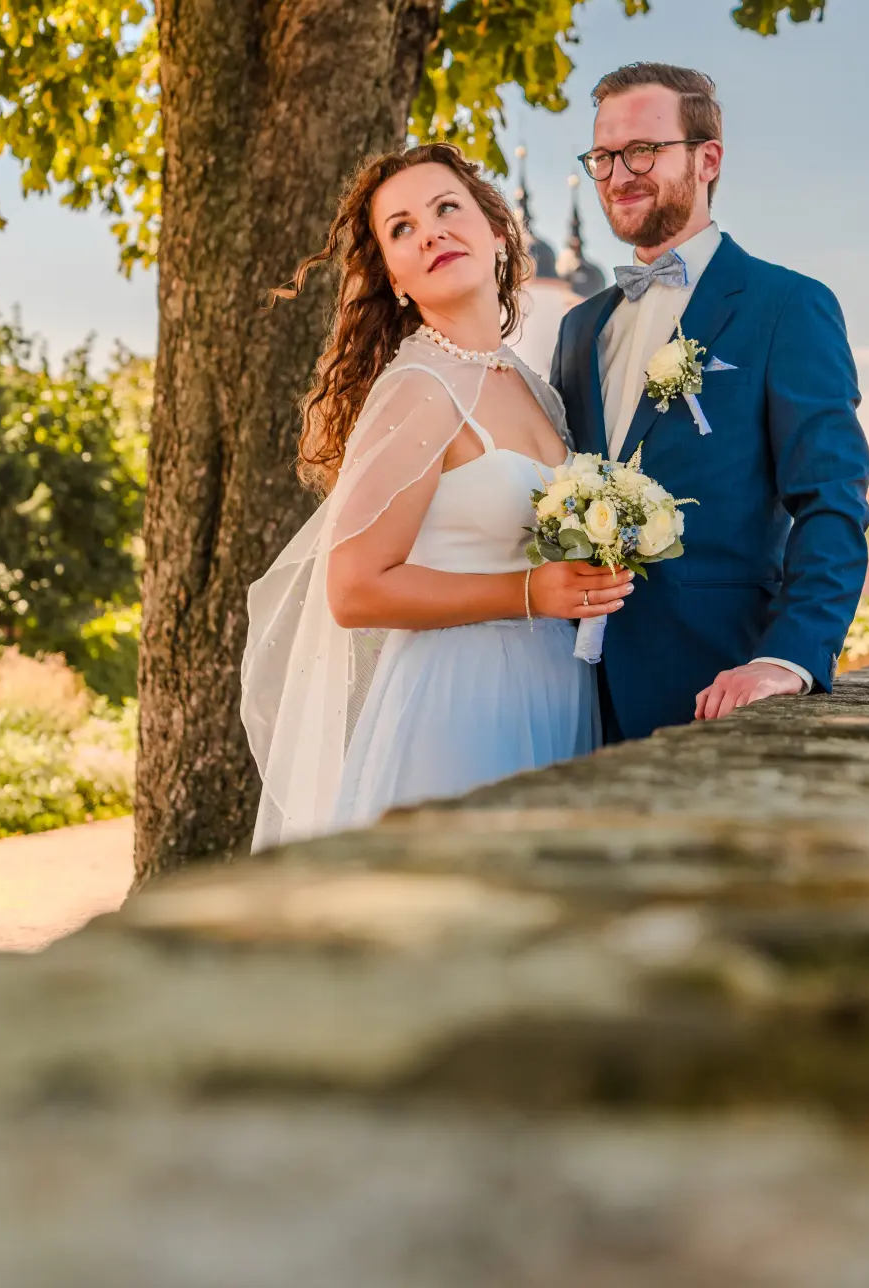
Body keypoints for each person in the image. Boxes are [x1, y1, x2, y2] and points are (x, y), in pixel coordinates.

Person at [241, 143, 629, 848]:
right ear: (393, 276)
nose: (430, 231)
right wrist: (529, 594)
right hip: (460, 706)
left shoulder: (533, 386)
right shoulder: (420, 389)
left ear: (496, 230)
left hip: (553, 689)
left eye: (447, 208)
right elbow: (355, 591)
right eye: (402, 228)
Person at [551, 63, 869, 740]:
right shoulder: (580, 328)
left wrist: (786, 658)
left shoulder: (788, 305)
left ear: (707, 159)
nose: (618, 172)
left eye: (643, 150)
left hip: (719, 688)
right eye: (603, 155)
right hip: (572, 692)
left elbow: (832, 501)